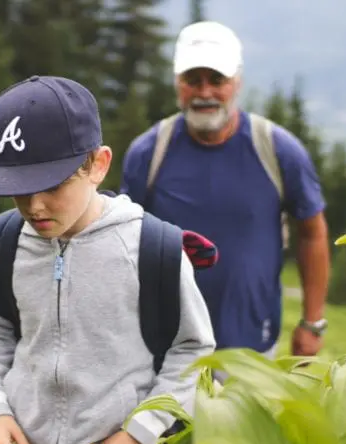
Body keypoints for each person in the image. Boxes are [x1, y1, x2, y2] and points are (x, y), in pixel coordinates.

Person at [0, 75, 216, 444]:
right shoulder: (2, 243)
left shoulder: (153, 248)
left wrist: (140, 435)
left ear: (98, 164)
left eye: (51, 185)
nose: (34, 206)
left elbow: (191, 351)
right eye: (19, 190)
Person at [120, 21, 331, 364]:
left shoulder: (278, 150)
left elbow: (313, 233)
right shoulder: (148, 152)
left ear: (237, 82)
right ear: (178, 83)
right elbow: (124, 240)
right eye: (193, 80)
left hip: (250, 347)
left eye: (217, 80)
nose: (205, 92)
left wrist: (312, 322)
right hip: (165, 349)